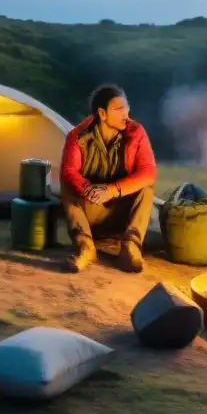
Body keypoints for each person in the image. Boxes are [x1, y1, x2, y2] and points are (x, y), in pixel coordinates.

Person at [58, 84, 157, 274]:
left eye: (126, 108)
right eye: (119, 109)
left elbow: (148, 172)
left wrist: (111, 190)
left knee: (146, 189)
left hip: (122, 213)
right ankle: (85, 247)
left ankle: (131, 248)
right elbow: (69, 171)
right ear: (102, 113)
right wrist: (87, 189)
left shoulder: (136, 133)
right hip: (91, 210)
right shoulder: (78, 136)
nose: (126, 114)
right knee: (66, 185)